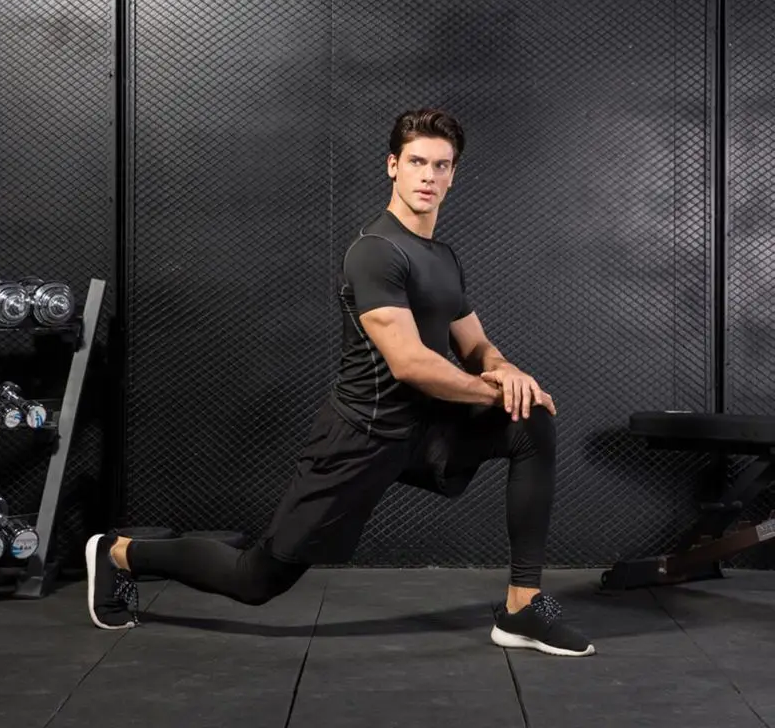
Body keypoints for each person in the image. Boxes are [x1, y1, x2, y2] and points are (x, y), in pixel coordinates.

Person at [86, 108, 595, 657]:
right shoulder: (375, 252)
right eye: (417, 162)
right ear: (393, 166)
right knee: (256, 578)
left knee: (530, 421)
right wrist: (497, 390)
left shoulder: (442, 257)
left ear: (453, 175)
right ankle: (118, 553)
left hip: (424, 429)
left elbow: (475, 346)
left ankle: (521, 608)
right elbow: (411, 364)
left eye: (441, 166)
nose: (428, 176)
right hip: (361, 436)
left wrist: (507, 371)